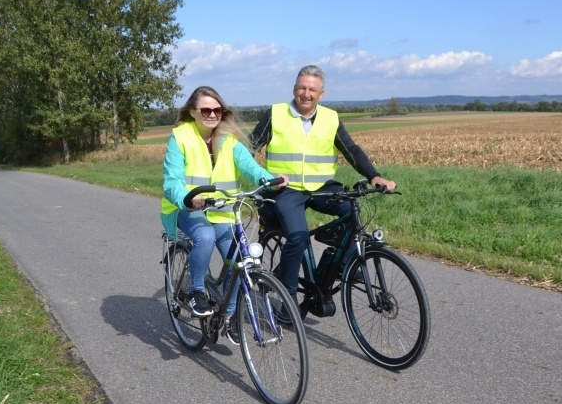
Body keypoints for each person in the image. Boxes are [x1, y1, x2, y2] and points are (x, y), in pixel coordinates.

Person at [249, 65, 396, 315]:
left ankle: (337, 264)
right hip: (286, 189)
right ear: (294, 89)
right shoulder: (275, 114)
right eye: (302, 88)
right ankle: (287, 295)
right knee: (298, 236)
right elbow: (250, 148)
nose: (306, 94)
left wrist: (374, 176)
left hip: (322, 187)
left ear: (321, 94)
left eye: (312, 90)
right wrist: (260, 179)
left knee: (352, 209)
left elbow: (351, 150)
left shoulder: (330, 118)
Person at [161, 86, 287, 345]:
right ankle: (196, 292)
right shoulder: (180, 137)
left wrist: (269, 181)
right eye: (206, 110)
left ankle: (229, 316)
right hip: (186, 209)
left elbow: (250, 168)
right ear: (193, 111)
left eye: (217, 110)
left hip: (223, 211)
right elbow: (172, 180)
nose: (212, 114)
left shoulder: (229, 141)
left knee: (239, 259)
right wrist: (187, 197)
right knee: (205, 236)